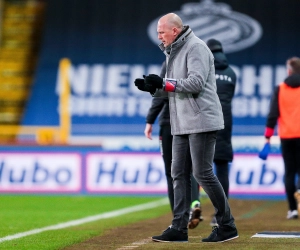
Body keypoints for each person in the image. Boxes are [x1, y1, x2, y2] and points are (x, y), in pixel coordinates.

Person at [134, 13, 238, 243]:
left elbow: (195, 83)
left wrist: (164, 83)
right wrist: (154, 89)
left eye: (162, 31)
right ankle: (178, 227)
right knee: (178, 173)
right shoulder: (174, 51)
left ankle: (227, 225)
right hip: (181, 122)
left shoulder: (196, 48)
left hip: (201, 120)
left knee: (202, 173)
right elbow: (174, 88)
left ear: (175, 30)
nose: (158, 35)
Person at [145, 62, 203, 230]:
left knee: (173, 173)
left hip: (169, 124)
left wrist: (150, 120)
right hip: (191, 123)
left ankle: (179, 217)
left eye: (162, 33)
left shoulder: (170, 62)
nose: (161, 37)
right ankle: (194, 203)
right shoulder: (196, 62)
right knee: (188, 169)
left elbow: (161, 95)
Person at [263, 56, 300, 220]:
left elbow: (272, 115)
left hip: (286, 136)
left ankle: (292, 209)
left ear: (289, 70)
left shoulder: (280, 88)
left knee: (290, 173)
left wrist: (267, 138)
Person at [206, 39, 237, 226]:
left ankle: (192, 208)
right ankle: (222, 214)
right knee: (222, 165)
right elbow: (229, 97)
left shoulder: (205, 69)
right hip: (226, 121)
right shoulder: (232, 73)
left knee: (199, 166)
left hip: (206, 119)